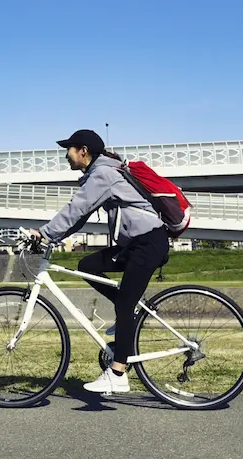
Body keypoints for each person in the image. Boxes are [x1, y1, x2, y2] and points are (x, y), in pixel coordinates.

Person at [25, 128, 170, 395]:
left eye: (69, 150)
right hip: (138, 243)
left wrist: (43, 233)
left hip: (148, 242)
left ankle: (117, 374)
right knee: (88, 266)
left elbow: (76, 209)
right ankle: (128, 316)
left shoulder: (103, 174)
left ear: (83, 151)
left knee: (125, 305)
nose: (66, 156)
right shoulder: (101, 173)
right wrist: (52, 238)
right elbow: (80, 217)